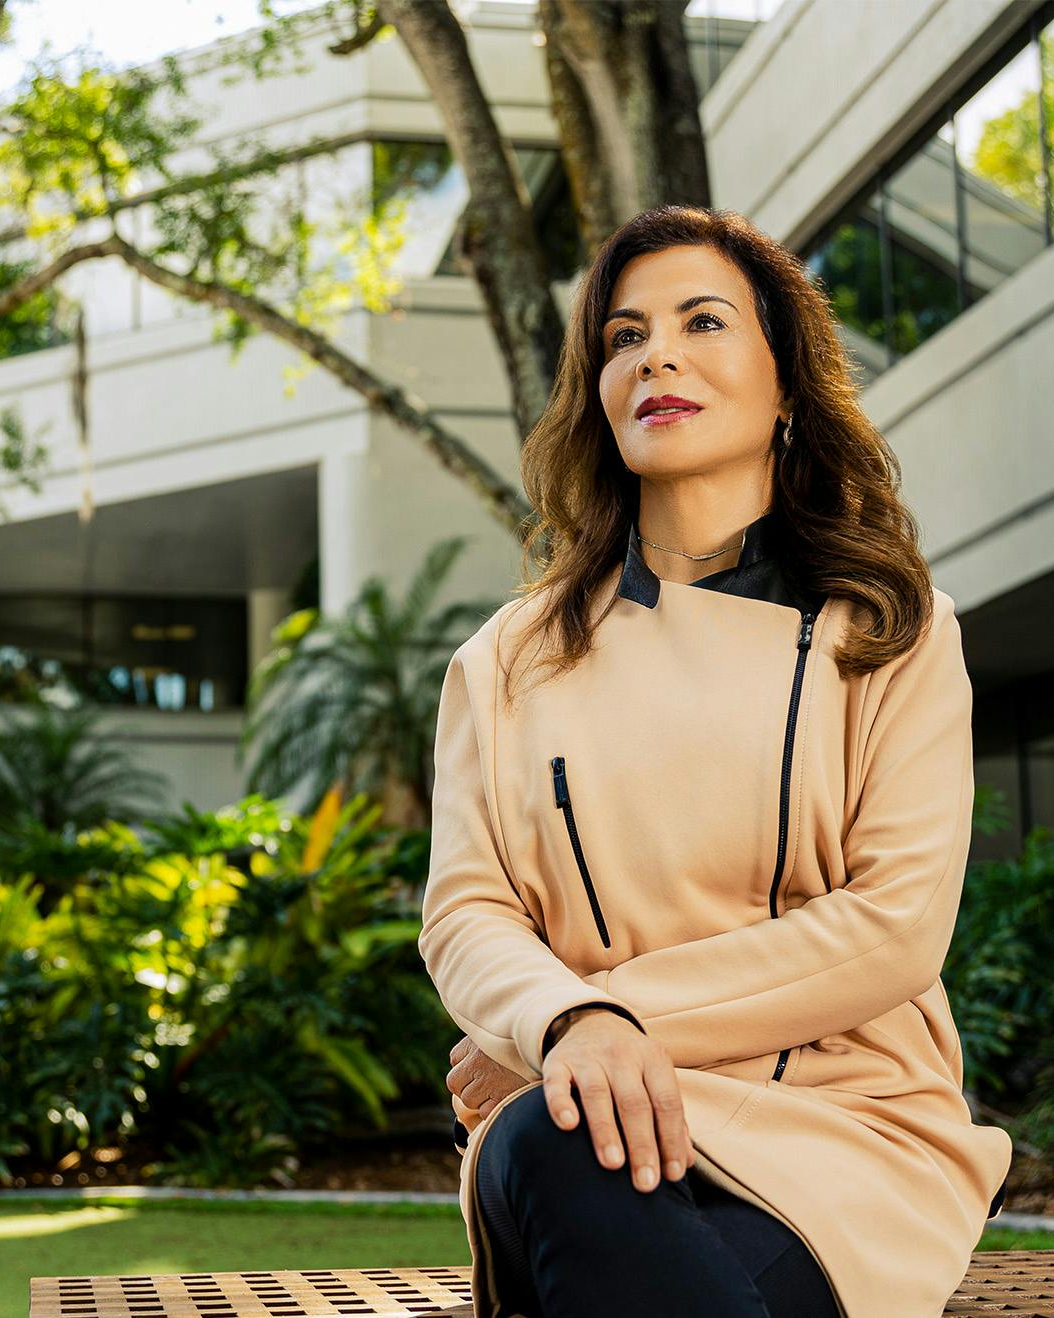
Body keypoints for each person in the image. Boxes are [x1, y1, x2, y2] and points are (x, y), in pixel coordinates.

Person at [418, 204, 1012, 1318]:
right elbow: (466, 911)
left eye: (702, 321)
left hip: (844, 1139)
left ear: (787, 382)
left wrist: (587, 1020)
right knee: (556, 1143)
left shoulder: (893, 630)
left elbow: (893, 925)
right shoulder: (504, 659)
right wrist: (567, 1036)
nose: (659, 356)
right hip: (575, 1128)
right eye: (625, 335)